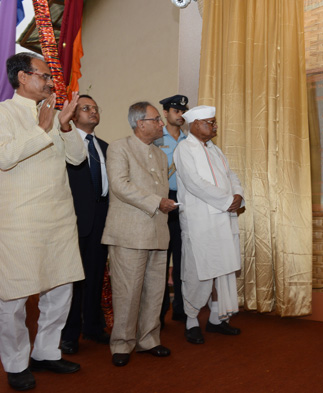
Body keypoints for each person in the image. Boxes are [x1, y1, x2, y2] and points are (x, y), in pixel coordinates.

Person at [0, 52, 86, 391]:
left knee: (61, 288)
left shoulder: (52, 115)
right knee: (15, 296)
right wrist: (41, 128)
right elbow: (4, 158)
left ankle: (46, 352)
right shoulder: (4, 113)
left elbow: (77, 159)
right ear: (22, 77)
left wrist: (65, 126)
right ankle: (16, 362)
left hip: (59, 217)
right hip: (19, 220)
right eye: (44, 75)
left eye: (51, 77)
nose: (50, 82)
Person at [101, 101, 177, 367]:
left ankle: (149, 339)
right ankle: (121, 343)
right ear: (140, 123)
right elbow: (120, 186)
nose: (161, 124)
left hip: (157, 231)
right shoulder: (119, 147)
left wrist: (161, 205)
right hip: (129, 233)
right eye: (156, 119)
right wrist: (157, 202)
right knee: (128, 291)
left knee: (155, 291)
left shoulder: (160, 154)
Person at [173, 105, 244, 345]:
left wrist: (238, 196)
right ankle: (191, 321)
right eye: (209, 122)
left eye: (214, 122)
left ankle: (216, 319)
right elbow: (195, 183)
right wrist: (226, 201)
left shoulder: (214, 149)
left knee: (222, 269)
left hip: (223, 218)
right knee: (198, 271)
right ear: (194, 125)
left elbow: (231, 175)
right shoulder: (185, 148)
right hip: (199, 221)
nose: (214, 127)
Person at [61, 95, 110, 355]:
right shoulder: (62, 143)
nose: (93, 112)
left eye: (95, 108)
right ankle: (69, 334)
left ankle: (92, 326)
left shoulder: (105, 146)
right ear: (72, 114)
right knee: (72, 281)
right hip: (73, 220)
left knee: (95, 275)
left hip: (102, 220)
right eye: (86, 108)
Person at [155, 94, 188, 327]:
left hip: (184, 201)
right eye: (176, 110)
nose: (180, 115)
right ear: (165, 113)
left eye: (183, 111)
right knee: (160, 257)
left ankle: (181, 307)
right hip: (162, 200)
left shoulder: (189, 141)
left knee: (182, 256)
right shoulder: (157, 139)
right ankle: (159, 311)